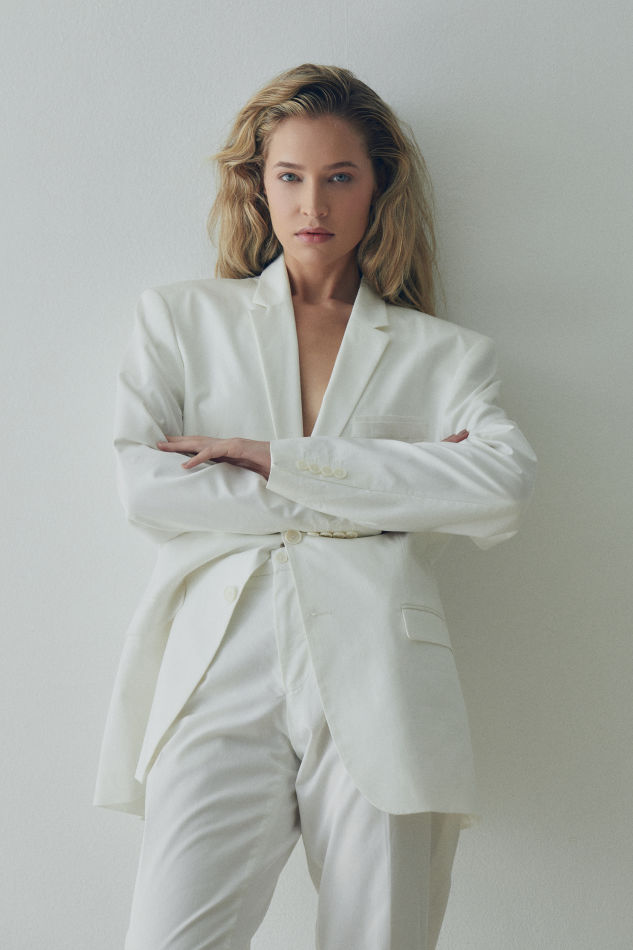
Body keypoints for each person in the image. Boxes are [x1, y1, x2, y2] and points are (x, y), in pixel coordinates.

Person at [94, 63, 536, 950]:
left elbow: (499, 487)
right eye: (289, 175)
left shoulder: (446, 357)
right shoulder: (181, 320)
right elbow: (146, 487)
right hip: (219, 663)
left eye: (339, 177)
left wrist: (274, 459)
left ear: (378, 188)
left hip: (382, 671)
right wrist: (392, 492)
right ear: (257, 185)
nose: (313, 203)